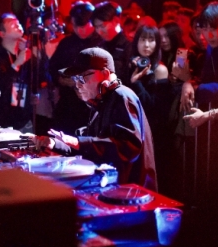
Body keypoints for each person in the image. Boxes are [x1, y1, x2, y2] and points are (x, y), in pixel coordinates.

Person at [35, 48, 157, 192]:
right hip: (115, 189)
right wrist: (55, 143)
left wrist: (76, 142)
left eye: (82, 78)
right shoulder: (101, 101)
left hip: (132, 193)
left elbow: (128, 147)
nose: (77, 85)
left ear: (105, 74)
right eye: (75, 79)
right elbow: (90, 147)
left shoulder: (122, 96)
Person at [125, 22, 178, 195]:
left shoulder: (160, 70)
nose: (146, 45)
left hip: (154, 132)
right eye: (142, 40)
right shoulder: (131, 65)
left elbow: (154, 108)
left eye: (151, 40)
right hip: (134, 128)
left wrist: (136, 83)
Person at [50, 1, 101, 134]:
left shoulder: (101, 43)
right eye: (75, 26)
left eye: (83, 26)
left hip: (93, 108)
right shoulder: (67, 43)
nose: (79, 30)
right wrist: (60, 79)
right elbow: (52, 67)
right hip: (68, 105)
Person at [92, 1, 132, 82]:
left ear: (116, 20)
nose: (99, 31)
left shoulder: (129, 45)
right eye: (96, 27)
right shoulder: (99, 46)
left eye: (102, 26)